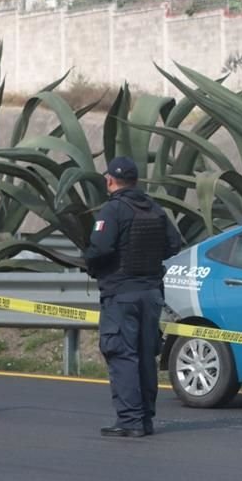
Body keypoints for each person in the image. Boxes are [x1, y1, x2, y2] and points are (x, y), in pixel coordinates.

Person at [85, 156, 181, 438]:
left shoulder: (113, 210)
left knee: (121, 354)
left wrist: (92, 265)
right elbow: (174, 243)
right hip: (151, 294)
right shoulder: (155, 208)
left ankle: (130, 420)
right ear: (136, 180)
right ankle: (145, 419)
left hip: (122, 294)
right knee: (144, 356)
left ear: (110, 180)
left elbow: (99, 249)